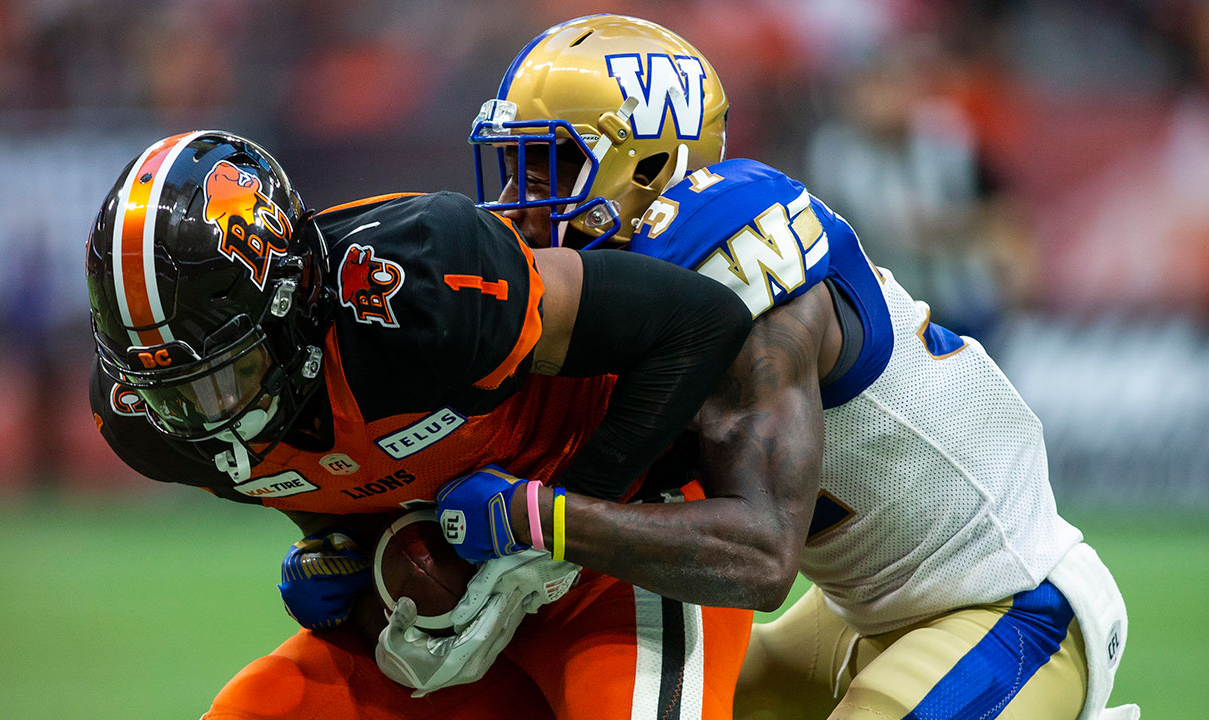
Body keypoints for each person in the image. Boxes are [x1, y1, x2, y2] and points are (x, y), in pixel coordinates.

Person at [440, 14, 1139, 720]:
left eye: (553, 161)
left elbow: (760, 555)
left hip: (1008, 606)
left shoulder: (743, 282)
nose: (521, 199)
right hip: (863, 609)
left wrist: (538, 517)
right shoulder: (643, 288)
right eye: (515, 162)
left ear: (648, 169)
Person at [85, 130, 755, 718]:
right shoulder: (149, 425)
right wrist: (342, 552)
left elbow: (698, 323)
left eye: (227, 373)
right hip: (454, 600)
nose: (211, 414)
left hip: (614, 557)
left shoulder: (418, 288)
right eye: (177, 394)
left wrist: (565, 522)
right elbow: (321, 482)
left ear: (291, 306)